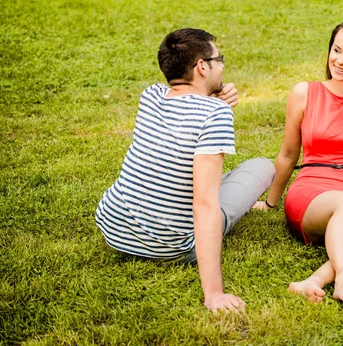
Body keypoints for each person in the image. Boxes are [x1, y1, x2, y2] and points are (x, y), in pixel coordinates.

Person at [95, 28, 275, 313]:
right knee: (262, 166)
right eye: (219, 59)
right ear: (202, 66)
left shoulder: (150, 96)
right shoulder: (215, 114)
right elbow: (204, 204)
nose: (222, 65)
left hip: (114, 228)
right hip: (169, 246)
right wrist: (214, 294)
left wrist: (212, 98)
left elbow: (183, 122)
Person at [253, 20, 343, 307]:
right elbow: (287, 154)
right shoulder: (304, 93)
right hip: (311, 194)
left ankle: (315, 281)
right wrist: (271, 202)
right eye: (336, 50)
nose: (340, 61)